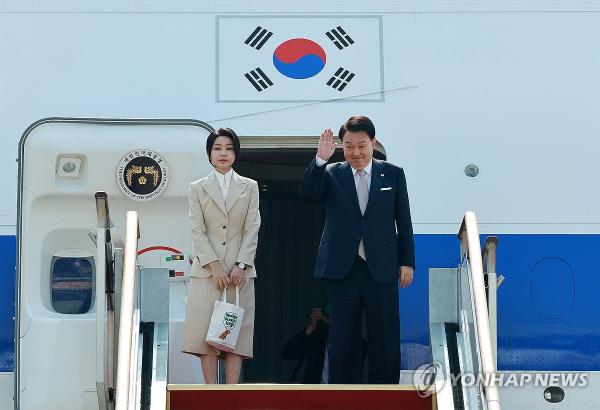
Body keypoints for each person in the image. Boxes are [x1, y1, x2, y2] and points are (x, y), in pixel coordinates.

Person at [299, 115, 415, 384]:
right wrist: (319, 159)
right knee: (343, 338)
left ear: (373, 142)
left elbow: (404, 220)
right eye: (349, 146)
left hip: (382, 267)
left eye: (361, 145)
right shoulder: (331, 172)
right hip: (343, 269)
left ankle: (385, 395)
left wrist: (407, 261)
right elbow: (308, 193)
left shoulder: (393, 173)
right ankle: (342, 395)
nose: (356, 153)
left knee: (384, 336)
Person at [182, 127, 261, 384]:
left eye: (228, 148)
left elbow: (252, 228)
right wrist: (214, 266)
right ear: (209, 154)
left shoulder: (250, 187)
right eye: (217, 148)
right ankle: (210, 393)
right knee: (207, 336)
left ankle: (232, 393)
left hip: (240, 273)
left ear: (235, 153)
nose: (223, 153)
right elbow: (197, 229)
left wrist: (241, 264)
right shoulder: (197, 188)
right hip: (207, 272)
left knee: (234, 333)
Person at [282, 305, 367, 384]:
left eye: (337, 317)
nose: (332, 322)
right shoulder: (317, 339)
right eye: (328, 317)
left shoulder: (357, 344)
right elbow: (287, 352)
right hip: (315, 394)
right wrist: (311, 327)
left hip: (343, 395)